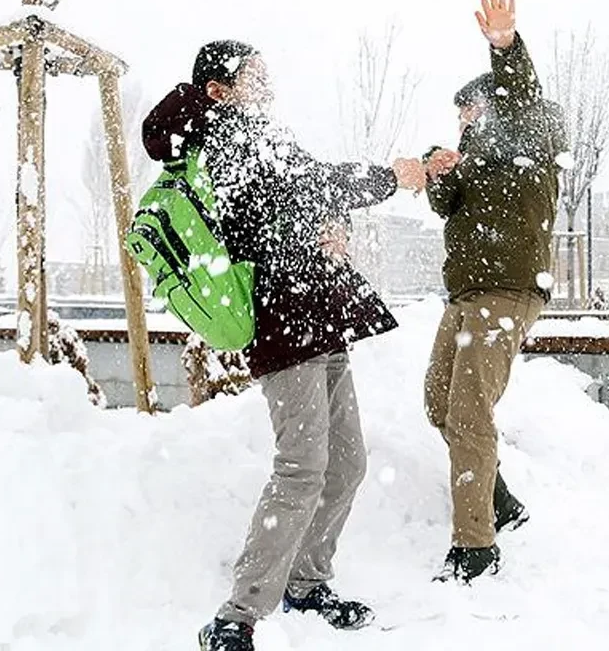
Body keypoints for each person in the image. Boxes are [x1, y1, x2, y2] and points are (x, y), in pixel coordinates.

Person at [141, 41, 428, 651]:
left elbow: (300, 201)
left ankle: (306, 582)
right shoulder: (224, 137)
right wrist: (389, 179)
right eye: (254, 74)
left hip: (318, 311)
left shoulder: (261, 132)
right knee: (302, 467)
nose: (267, 81)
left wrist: (333, 228)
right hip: (283, 321)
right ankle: (236, 616)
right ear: (220, 89)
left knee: (347, 463)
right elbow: (303, 189)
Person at [420, 0, 565, 583]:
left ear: (497, 106)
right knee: (438, 402)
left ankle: (475, 546)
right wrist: (436, 169)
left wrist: (504, 46)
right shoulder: (473, 162)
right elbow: (444, 205)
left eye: (472, 110)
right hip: (467, 295)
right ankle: (500, 500)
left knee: (470, 412)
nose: (464, 120)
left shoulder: (530, 138)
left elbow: (523, 97)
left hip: (507, 292)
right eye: (459, 115)